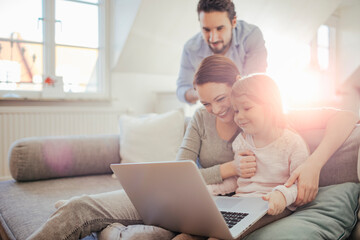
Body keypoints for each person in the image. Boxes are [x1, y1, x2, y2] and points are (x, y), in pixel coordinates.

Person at [28, 55, 359, 240]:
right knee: (80, 208)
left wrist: (314, 164)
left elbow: (346, 116)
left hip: (228, 210)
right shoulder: (202, 119)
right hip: (187, 199)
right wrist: (226, 169)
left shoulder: (273, 118)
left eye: (221, 99)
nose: (216, 109)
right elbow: (181, 171)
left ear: (241, 88)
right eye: (205, 102)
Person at [207, 73, 310, 217]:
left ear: (270, 107)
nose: (239, 117)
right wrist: (210, 190)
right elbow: (239, 180)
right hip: (240, 202)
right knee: (189, 233)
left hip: (270, 204)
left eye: (247, 108)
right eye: (236, 111)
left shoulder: (292, 143)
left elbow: (299, 185)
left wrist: (281, 195)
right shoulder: (241, 142)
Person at [177, 0, 267, 104]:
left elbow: (256, 82)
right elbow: (182, 89)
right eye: (206, 30)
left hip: (245, 104)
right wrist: (202, 92)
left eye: (220, 29)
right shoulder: (191, 48)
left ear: (233, 22)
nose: (213, 38)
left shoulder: (250, 36)